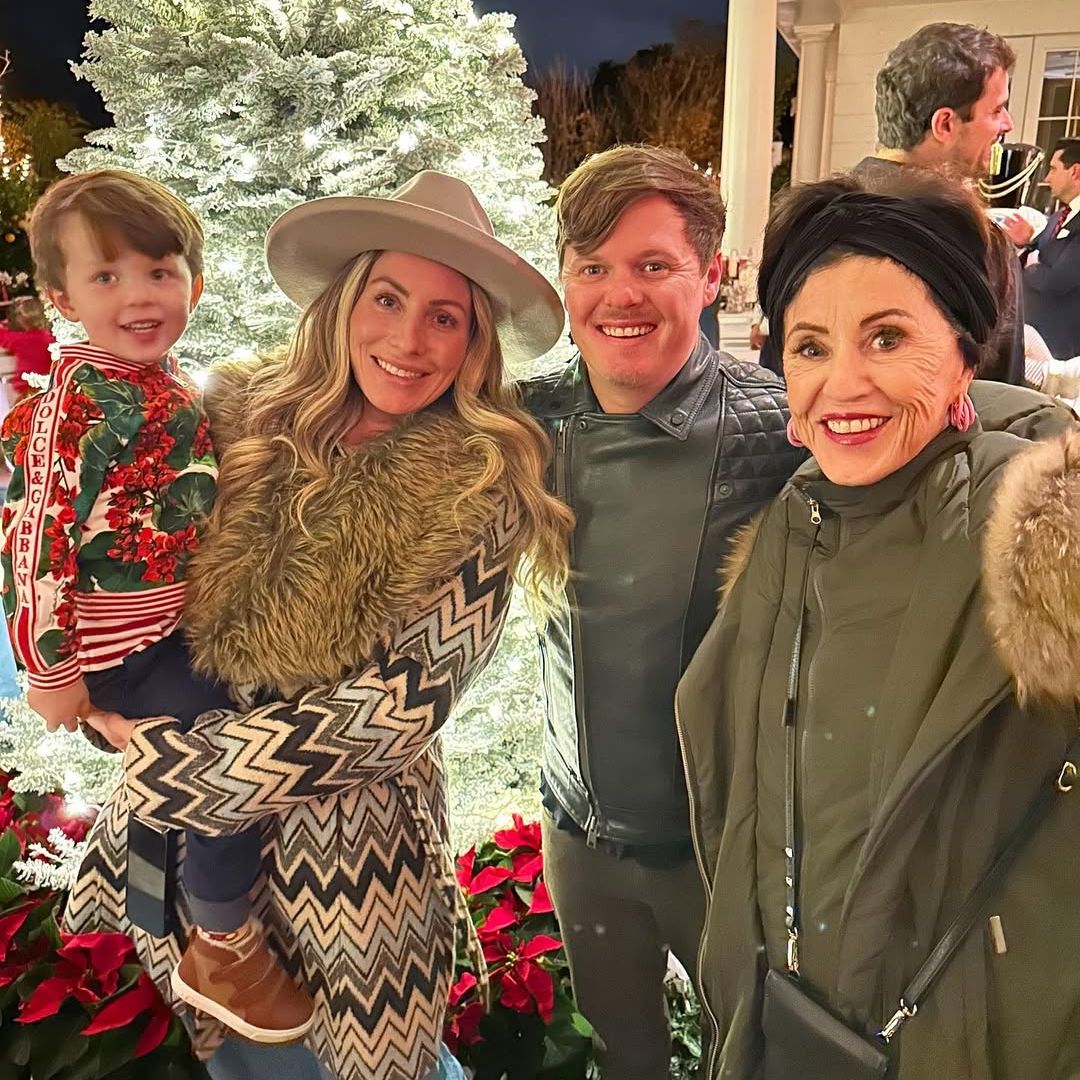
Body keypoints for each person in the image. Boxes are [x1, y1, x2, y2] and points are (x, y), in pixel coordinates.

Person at [69, 170, 573, 1080]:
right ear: (345, 302)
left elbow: (402, 707)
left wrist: (189, 766)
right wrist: (87, 686)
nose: (409, 340)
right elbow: (126, 574)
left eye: (445, 317)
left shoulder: (482, 484)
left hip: (352, 881)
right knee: (235, 1066)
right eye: (388, 298)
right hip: (185, 868)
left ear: (473, 344)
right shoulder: (228, 416)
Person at [677, 174, 1080, 1079]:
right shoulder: (793, 524)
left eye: (887, 338)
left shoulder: (1043, 535)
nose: (842, 383)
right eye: (810, 346)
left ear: (965, 355)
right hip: (789, 1032)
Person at [0, 169, 313, 1043]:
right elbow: (33, 541)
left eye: (159, 271)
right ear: (63, 299)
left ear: (194, 284)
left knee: (223, 730)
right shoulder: (76, 403)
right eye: (106, 276)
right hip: (113, 653)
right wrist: (51, 673)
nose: (138, 296)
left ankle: (161, 886)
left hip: (164, 632)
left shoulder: (164, 384)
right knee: (222, 758)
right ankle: (221, 943)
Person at [521, 145, 804, 1078]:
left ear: (711, 275)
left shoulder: (783, 426)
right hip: (579, 837)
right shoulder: (521, 424)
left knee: (752, 1058)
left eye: (653, 264)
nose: (620, 295)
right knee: (623, 1057)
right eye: (593, 267)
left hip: (722, 855)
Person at [760, 22, 1024, 384]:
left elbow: (778, 381)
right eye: (996, 110)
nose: (1007, 124)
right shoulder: (979, 243)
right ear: (945, 124)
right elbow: (1002, 399)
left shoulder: (803, 222)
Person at [1002, 138, 1080, 361]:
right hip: (1031, 341)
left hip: (1062, 350)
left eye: (1054, 169)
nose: (1047, 178)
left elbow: (1055, 281)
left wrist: (1030, 259)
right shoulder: (1057, 217)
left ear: (1075, 171)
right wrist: (1027, 243)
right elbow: (1039, 256)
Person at [0, 295, 55, 399]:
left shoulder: (20, 340)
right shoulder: (50, 338)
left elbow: (2, 336)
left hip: (26, 387)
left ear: (21, 319)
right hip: (48, 385)